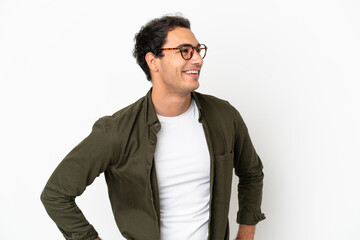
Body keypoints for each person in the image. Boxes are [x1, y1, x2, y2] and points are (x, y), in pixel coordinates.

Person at [41, 14, 265, 240]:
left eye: (198, 50)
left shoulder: (224, 116)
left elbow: (251, 173)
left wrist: (245, 235)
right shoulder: (116, 130)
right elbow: (56, 194)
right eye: (185, 50)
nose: (197, 59)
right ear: (153, 61)